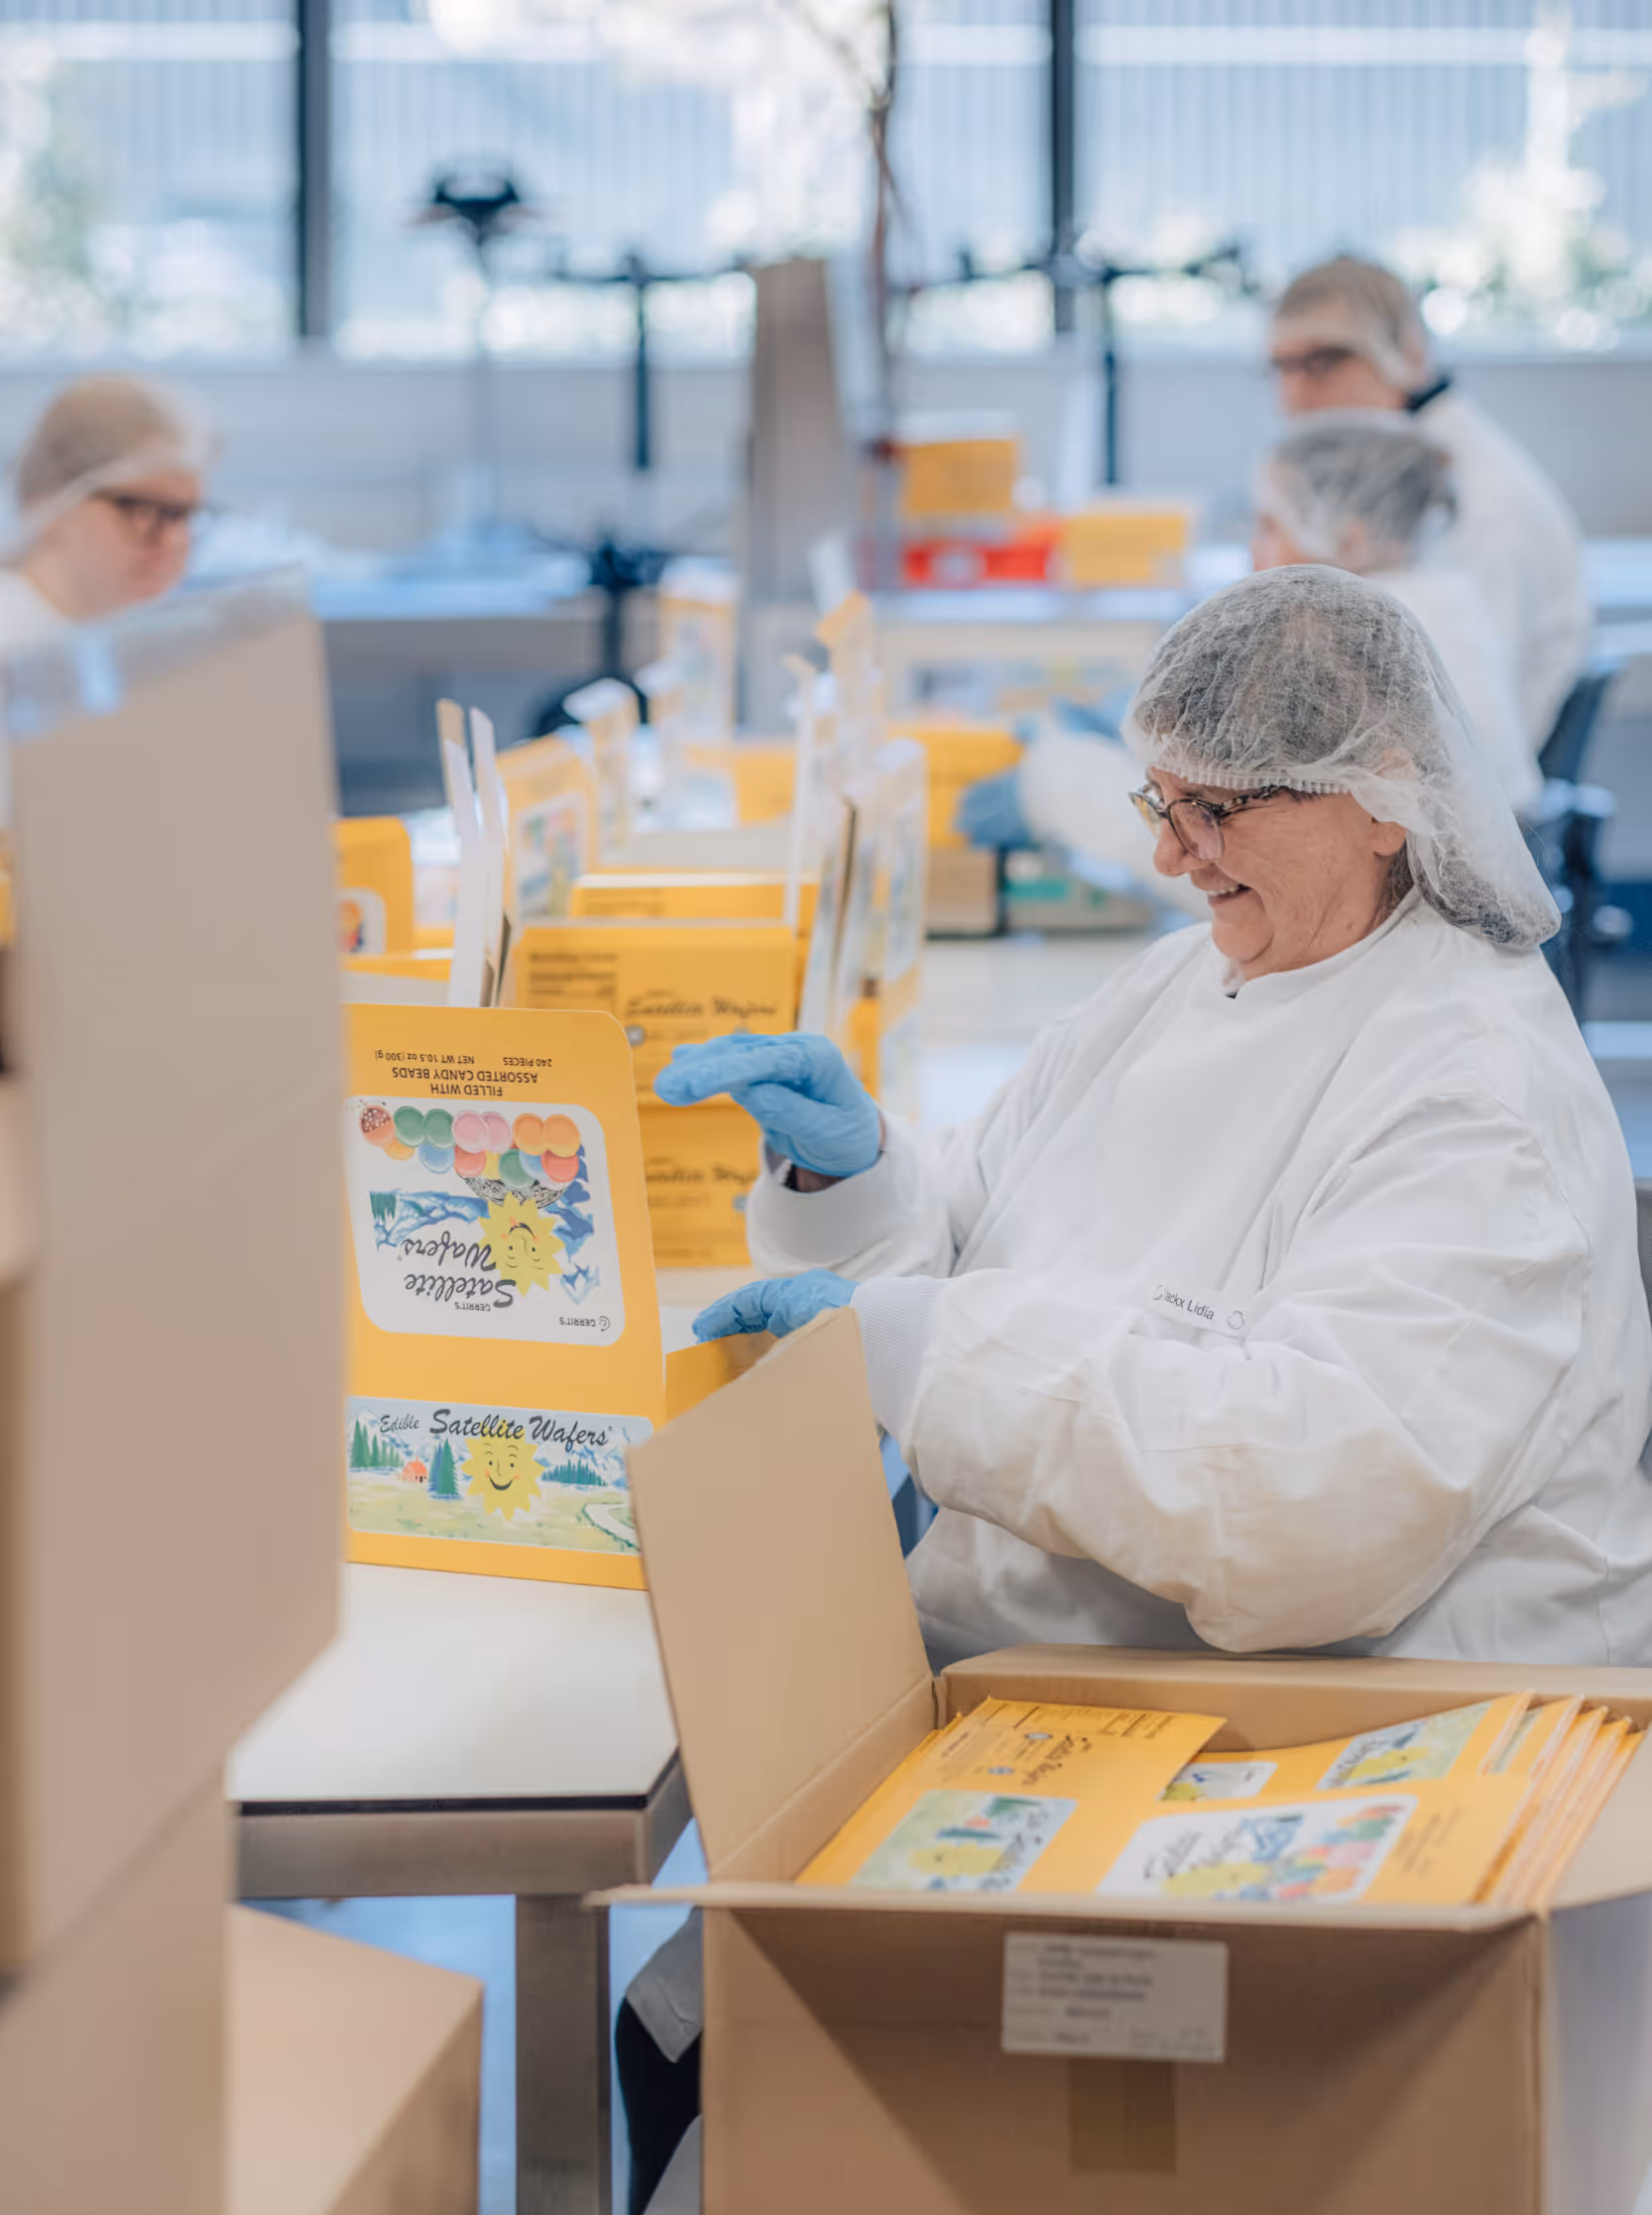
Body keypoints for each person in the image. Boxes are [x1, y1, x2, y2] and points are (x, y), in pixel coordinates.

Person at [657, 565, 1652, 1670]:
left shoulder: (1474, 1094)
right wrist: (853, 1184)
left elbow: (1307, 1511)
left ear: (1383, 799)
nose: (1168, 857)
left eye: (1213, 810)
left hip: (1377, 1721)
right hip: (1064, 1666)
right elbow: (981, 1245)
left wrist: (919, 1350)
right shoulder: (1175, 985)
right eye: (1158, 802)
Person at [1269, 255, 1589, 750]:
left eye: (1322, 363)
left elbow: (1470, 718)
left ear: (1408, 353)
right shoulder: (1401, 467)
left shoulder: (1471, 496)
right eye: (1282, 368)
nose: (1292, 395)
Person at [1252, 414, 1540, 817]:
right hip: (1505, 849)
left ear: (1347, 540)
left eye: (1270, 527)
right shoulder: (1448, 598)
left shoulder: (1349, 630)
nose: (1251, 550)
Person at [0, 374, 213, 649]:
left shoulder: (110, 641)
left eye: (183, 515)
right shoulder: (12, 643)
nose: (176, 541)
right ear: (51, 506)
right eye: (144, 512)